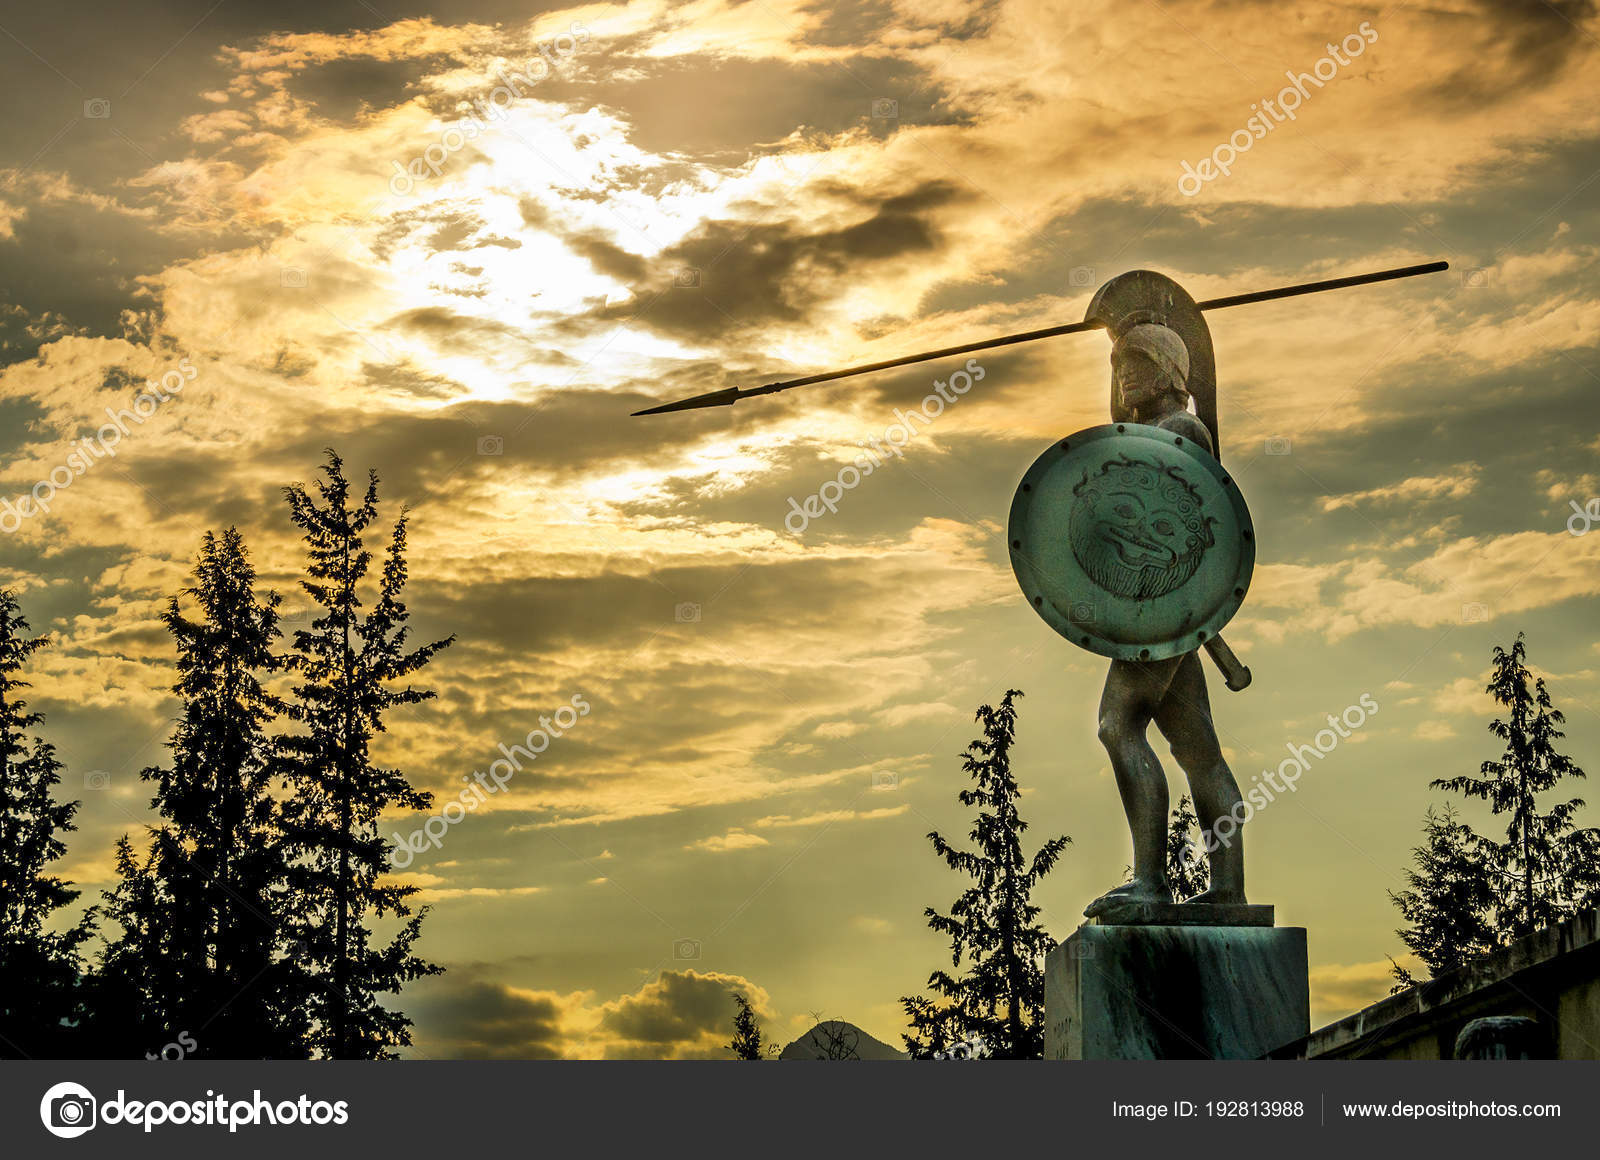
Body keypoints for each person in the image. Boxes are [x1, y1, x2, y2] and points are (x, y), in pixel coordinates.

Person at [1082, 323, 1247, 918]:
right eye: (1116, 364)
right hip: (1164, 609)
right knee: (1197, 746)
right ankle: (1228, 890)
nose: (1122, 375)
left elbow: (1178, 525)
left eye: (1135, 362)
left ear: (1169, 370)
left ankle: (1151, 884)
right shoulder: (1153, 430)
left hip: (1161, 610)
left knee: (1117, 725)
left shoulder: (1179, 429)